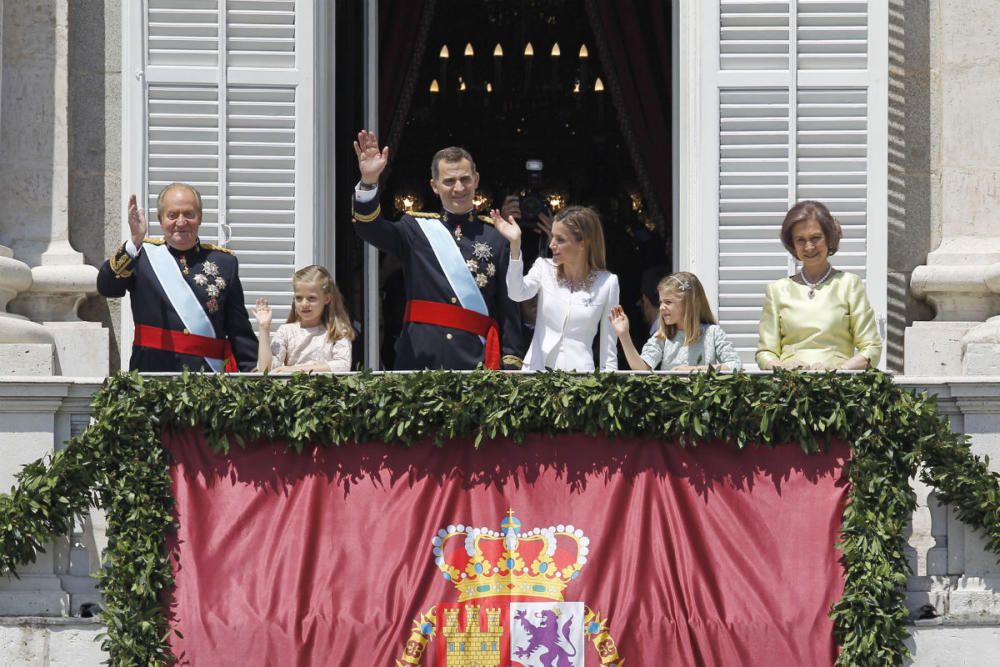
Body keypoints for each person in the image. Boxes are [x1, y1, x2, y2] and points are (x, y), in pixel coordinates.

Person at [351, 130, 523, 370]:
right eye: (449, 181)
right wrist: (369, 182)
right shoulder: (415, 228)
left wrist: (511, 364)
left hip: (478, 364)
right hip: (421, 358)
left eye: (465, 179)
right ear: (434, 186)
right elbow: (369, 228)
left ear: (476, 180)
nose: (459, 188)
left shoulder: (497, 237)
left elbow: (509, 309)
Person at [97, 184, 258, 372]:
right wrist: (134, 242)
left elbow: (239, 330)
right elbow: (107, 288)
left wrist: (252, 376)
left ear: (200, 217)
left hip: (207, 379)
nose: (181, 222)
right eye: (172, 215)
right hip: (153, 375)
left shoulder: (224, 262)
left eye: (188, 214)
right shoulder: (141, 256)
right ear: (160, 219)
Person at [756, 201, 882, 370]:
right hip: (787, 390)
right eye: (800, 240)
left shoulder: (849, 284)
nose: (809, 247)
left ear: (829, 238)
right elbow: (765, 353)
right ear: (792, 244)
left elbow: (871, 349)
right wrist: (782, 367)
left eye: (815, 238)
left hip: (838, 389)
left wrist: (838, 371)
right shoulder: (777, 290)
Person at [492, 205, 619, 371]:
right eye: (552, 237)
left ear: (583, 243)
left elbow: (608, 351)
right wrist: (515, 245)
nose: (551, 244)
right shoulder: (543, 267)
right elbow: (516, 294)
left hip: (580, 380)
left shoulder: (608, 283)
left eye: (560, 239)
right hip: (536, 374)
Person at [609, 272, 742, 371]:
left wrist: (694, 370)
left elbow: (735, 365)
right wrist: (624, 335)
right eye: (660, 302)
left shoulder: (713, 333)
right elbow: (642, 369)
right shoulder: (663, 336)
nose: (661, 307)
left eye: (668, 302)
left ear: (688, 304)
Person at [254, 265, 354, 372]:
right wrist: (264, 328)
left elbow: (342, 365)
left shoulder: (337, 332)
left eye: (311, 298)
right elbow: (265, 370)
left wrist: (292, 370)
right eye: (299, 298)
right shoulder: (286, 332)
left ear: (327, 298)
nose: (304, 304)